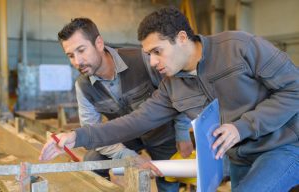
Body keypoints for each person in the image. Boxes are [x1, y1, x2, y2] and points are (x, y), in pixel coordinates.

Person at [40, 8, 299, 191]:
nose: (152, 62)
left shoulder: (239, 47)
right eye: (148, 54)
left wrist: (242, 127)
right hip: (240, 156)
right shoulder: (172, 85)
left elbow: (294, 90)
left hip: (284, 145)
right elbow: (134, 122)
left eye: (157, 52)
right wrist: (77, 137)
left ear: (182, 38)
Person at [52, 17, 195, 191]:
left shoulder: (143, 60)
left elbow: (178, 93)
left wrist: (182, 133)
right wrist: (129, 157)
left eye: (81, 50)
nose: (77, 61)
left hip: (162, 135)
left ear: (98, 43)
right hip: (125, 139)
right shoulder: (83, 87)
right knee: (92, 160)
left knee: (169, 180)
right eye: (71, 55)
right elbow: (93, 133)